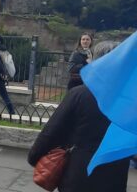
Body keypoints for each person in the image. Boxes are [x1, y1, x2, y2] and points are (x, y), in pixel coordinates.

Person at [28, 41, 130, 192]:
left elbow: (52, 131)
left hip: (79, 173)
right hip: (115, 174)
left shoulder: (79, 94)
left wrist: (35, 157)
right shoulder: (130, 101)